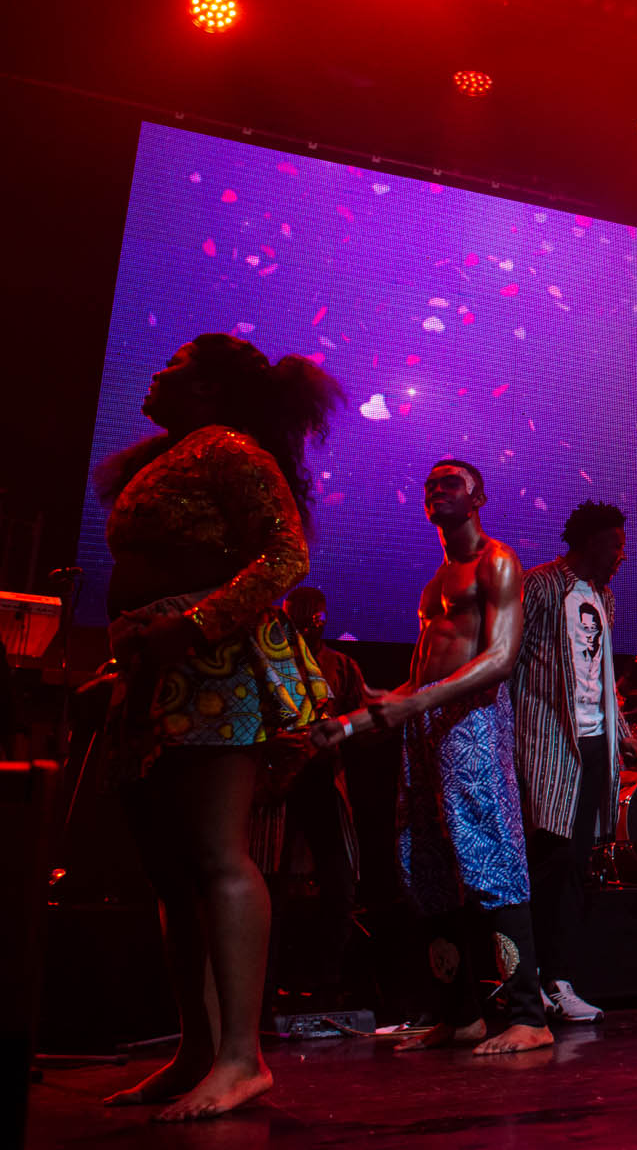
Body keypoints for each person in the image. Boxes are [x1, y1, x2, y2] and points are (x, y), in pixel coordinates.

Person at [95, 333, 339, 1120]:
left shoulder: (231, 449)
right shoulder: (176, 452)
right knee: (172, 868)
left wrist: (194, 626)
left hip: (214, 666)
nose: (157, 370)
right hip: (160, 672)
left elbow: (284, 556)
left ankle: (242, 1056)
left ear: (205, 390)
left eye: (173, 367)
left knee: (213, 852)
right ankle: (197, 1049)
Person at [310, 459, 551, 1055]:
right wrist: (352, 719)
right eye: (430, 484)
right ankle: (460, 1013)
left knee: (490, 859)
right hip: (425, 728)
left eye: (450, 482)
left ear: (478, 496)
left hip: (472, 721)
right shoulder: (434, 581)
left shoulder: (497, 560)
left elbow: (499, 658)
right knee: (427, 869)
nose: (436, 490)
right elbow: (419, 680)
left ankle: (528, 1015)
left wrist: (412, 706)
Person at [512, 499, 637, 1024]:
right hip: (547, 738)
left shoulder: (604, 598)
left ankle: (557, 978)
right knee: (548, 856)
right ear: (589, 542)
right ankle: (530, 977)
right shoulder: (541, 585)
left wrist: (624, 732)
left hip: (594, 741)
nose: (621, 555)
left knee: (575, 862)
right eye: (614, 544)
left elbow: (602, 672)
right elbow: (511, 657)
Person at [270, 587, 365, 1000]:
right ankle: (267, 976)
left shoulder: (340, 665)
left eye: (312, 616)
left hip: (324, 777)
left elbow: (365, 725)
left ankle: (328, 975)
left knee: (339, 878)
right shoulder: (270, 661)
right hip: (275, 782)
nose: (306, 623)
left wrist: (339, 732)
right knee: (269, 878)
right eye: (296, 616)